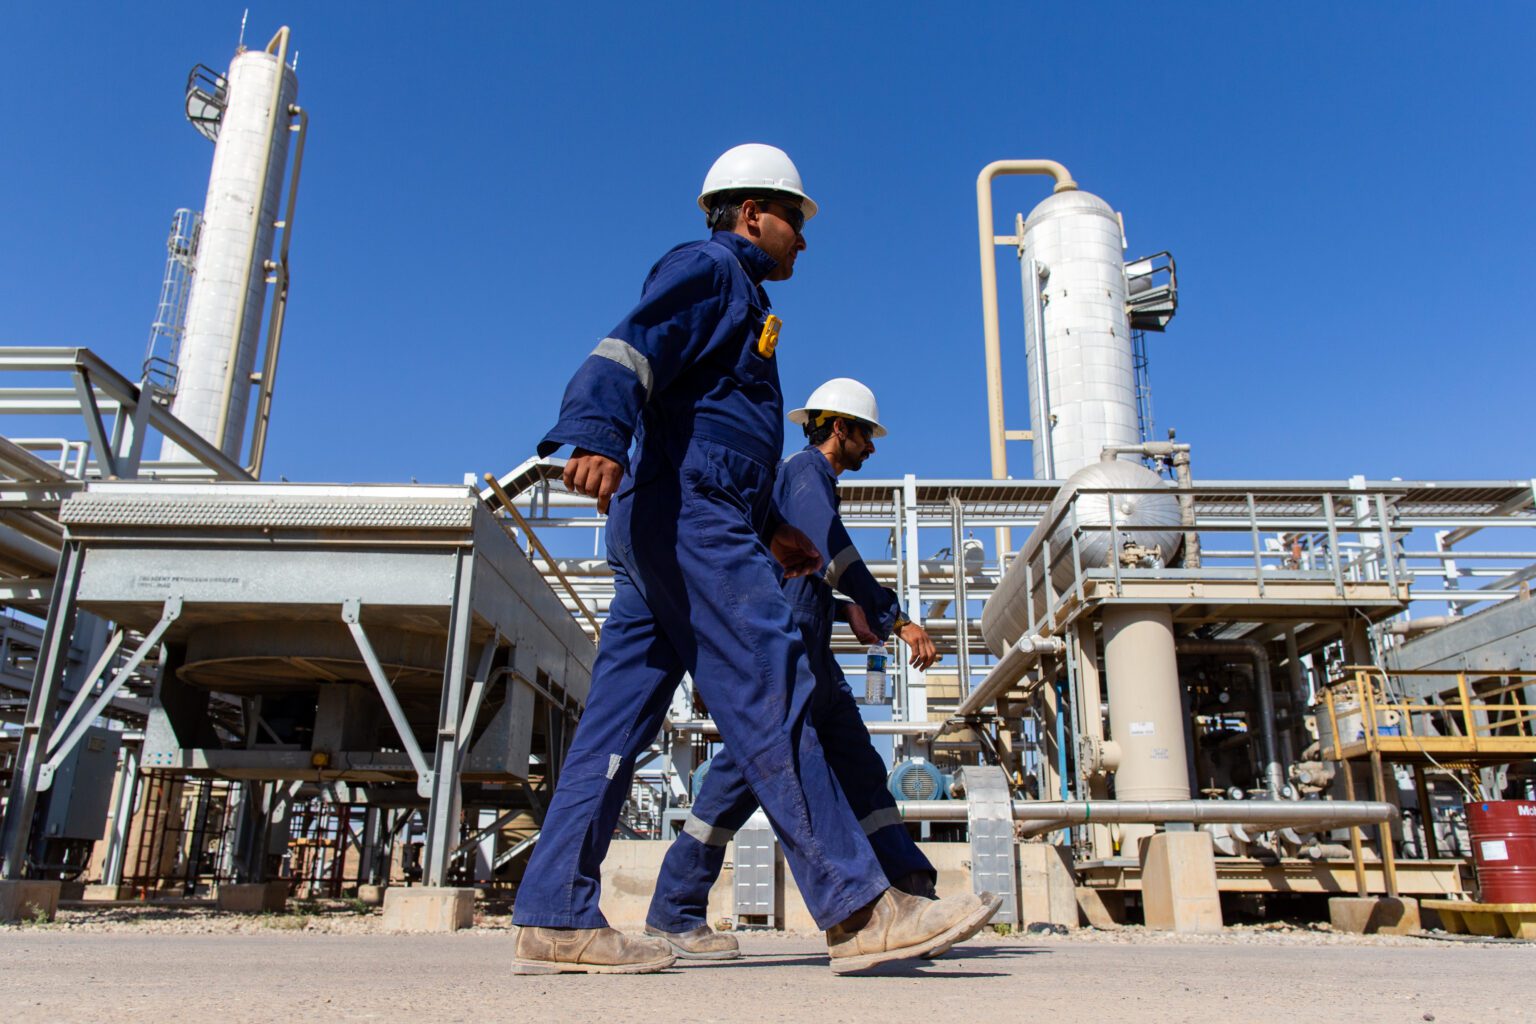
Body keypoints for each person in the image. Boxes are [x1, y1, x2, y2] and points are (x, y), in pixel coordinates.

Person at [511, 145, 995, 975]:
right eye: (795, 221)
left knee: (616, 723)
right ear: (751, 214)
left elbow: (716, 432)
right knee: (771, 680)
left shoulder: (744, 299)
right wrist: (594, 430)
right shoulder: (710, 268)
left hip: (678, 517)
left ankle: (555, 911)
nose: (802, 240)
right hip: (688, 518)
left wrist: (771, 524)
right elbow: (632, 346)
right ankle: (858, 905)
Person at [646, 378, 1000, 960]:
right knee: (736, 780)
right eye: (866, 435)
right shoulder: (807, 473)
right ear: (840, 429)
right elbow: (829, 552)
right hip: (783, 658)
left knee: (862, 770)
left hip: (814, 659)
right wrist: (892, 617)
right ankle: (675, 909)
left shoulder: (811, 481)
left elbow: (805, 572)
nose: (873, 449)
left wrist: (845, 607)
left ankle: (911, 891)